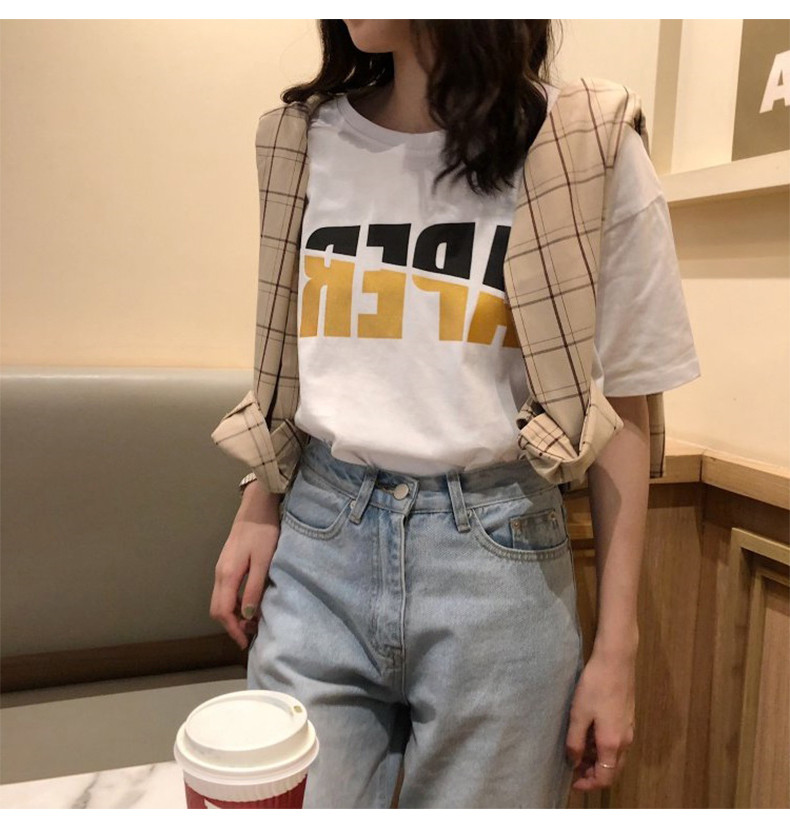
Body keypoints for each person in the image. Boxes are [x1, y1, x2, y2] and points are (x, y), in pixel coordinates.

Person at [210, 20, 700, 808]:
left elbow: (622, 403)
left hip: (500, 564)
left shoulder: (585, 143)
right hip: (319, 549)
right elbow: (295, 360)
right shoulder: (299, 141)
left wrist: (617, 649)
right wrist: (260, 499)